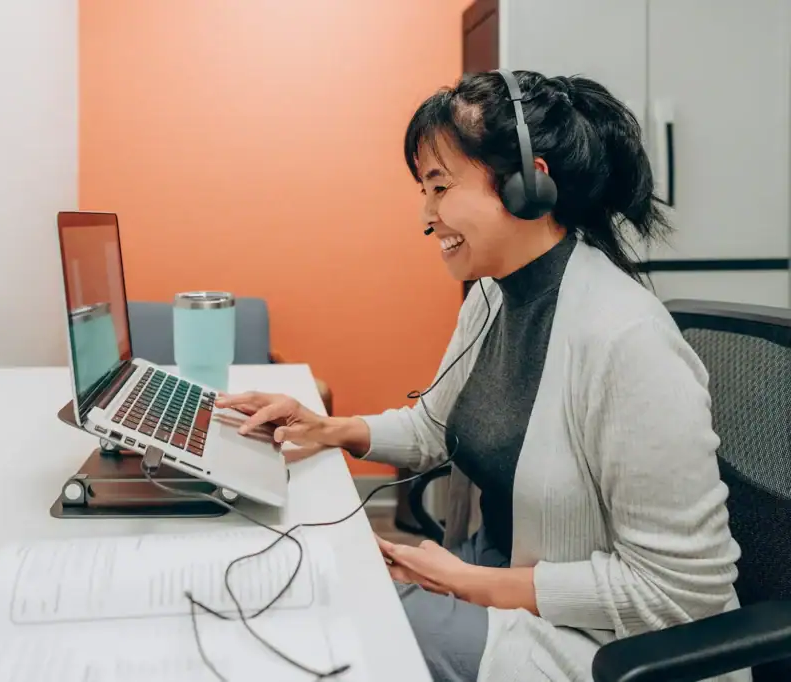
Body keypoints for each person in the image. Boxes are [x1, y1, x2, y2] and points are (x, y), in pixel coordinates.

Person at [215, 70, 747, 682]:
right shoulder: (491, 297)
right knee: (317, 578)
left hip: (606, 647)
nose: (426, 214)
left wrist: (480, 585)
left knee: (344, 616)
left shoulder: (627, 341)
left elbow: (683, 594)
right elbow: (434, 426)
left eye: (439, 187)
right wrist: (327, 427)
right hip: (499, 573)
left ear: (528, 186)